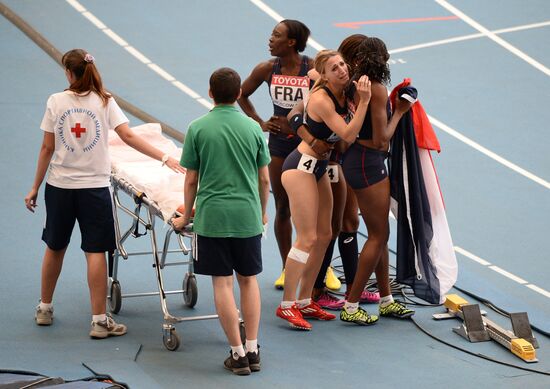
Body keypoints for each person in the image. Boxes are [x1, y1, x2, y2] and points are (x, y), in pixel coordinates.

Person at [24, 49, 185, 338]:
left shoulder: (56, 101)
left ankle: (45, 308)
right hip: (93, 189)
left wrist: (35, 186)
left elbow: (47, 148)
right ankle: (99, 320)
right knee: (95, 251)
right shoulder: (104, 101)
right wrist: (164, 157)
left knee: (55, 246)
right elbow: (129, 136)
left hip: (60, 187)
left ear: (70, 74)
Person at [172, 68, 270, 375]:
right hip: (246, 216)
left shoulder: (198, 128)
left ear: (210, 93)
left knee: (222, 283)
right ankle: (253, 348)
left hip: (213, 218)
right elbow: (264, 179)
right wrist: (262, 212)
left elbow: (190, 180)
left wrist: (186, 216)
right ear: (240, 94)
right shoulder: (254, 128)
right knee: (248, 280)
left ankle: (237, 354)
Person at [238, 20, 343, 290]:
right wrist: (260, 122)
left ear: (292, 42)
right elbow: (241, 94)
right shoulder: (266, 69)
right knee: (283, 207)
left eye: (276, 35)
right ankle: (288, 267)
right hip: (280, 148)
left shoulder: (312, 70)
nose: (270, 39)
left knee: (319, 212)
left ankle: (323, 266)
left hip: (312, 147)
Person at [276, 50, 371, 330]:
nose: (342, 70)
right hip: (300, 168)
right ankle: (287, 305)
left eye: (342, 64)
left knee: (326, 233)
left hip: (320, 167)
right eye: (334, 68)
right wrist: (364, 102)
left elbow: (313, 73)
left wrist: (320, 72)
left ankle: (305, 300)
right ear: (327, 76)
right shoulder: (321, 99)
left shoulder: (333, 85)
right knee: (306, 237)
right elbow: (348, 135)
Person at [339, 37, 416, 325]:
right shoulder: (378, 89)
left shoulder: (354, 83)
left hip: (356, 158)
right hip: (368, 163)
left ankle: (386, 299)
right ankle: (351, 305)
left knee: (378, 232)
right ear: (383, 59)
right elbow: (383, 140)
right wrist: (400, 111)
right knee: (378, 235)